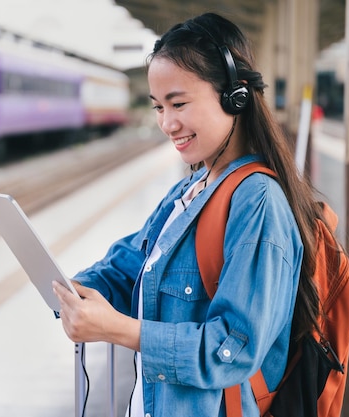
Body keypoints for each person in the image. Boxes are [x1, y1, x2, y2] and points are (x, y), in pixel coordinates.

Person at [53, 12, 326, 417]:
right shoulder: (190, 188)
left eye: (178, 103)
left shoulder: (258, 203)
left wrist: (118, 329)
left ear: (235, 96)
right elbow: (130, 266)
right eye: (159, 106)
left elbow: (232, 348)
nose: (166, 123)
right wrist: (71, 290)